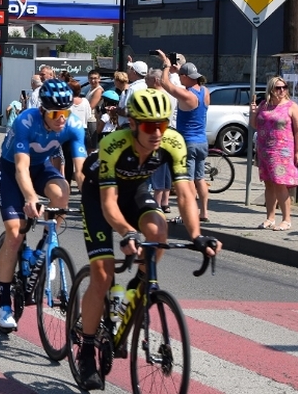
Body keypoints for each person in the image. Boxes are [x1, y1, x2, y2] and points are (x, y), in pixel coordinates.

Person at [75, 88, 222, 390]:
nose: (157, 132)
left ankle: (138, 286)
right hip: (101, 198)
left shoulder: (173, 142)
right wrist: (126, 232)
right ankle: (87, 350)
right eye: (149, 126)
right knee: (102, 275)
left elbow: (185, 194)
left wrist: (197, 235)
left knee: (159, 233)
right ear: (133, 125)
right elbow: (108, 205)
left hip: (137, 192)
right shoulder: (112, 144)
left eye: (163, 124)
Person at [0, 79, 87, 329]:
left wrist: (94, 197)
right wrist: (30, 196)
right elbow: (21, 168)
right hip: (14, 168)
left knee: (62, 191)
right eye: (56, 113)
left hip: (42, 167)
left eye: (66, 112)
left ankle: (48, 245)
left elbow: (80, 171)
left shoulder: (74, 125)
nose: (62, 119)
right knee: (14, 234)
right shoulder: (25, 121)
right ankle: (3, 301)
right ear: (43, 111)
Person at [157, 50, 211, 222]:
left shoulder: (187, 95)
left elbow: (165, 83)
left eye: (181, 76)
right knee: (200, 179)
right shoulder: (205, 91)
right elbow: (184, 79)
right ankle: (204, 212)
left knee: (187, 181)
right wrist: (180, 69)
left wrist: (165, 66)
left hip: (188, 143)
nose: (179, 79)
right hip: (202, 142)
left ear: (187, 77)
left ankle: (189, 214)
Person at [250, 76, 298, 231]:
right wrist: (253, 113)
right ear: (271, 90)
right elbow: (255, 125)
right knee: (268, 184)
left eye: (284, 87)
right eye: (278, 88)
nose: (281, 91)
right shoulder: (264, 105)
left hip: (282, 152)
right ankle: (270, 218)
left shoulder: (291, 107)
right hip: (264, 150)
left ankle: (287, 219)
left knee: (280, 184)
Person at [146, 68, 178, 214]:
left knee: (157, 169)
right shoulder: (170, 94)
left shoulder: (156, 96)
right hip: (170, 132)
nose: (146, 84)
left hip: (158, 133)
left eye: (148, 81)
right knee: (165, 170)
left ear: (156, 80)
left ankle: (157, 203)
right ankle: (165, 203)